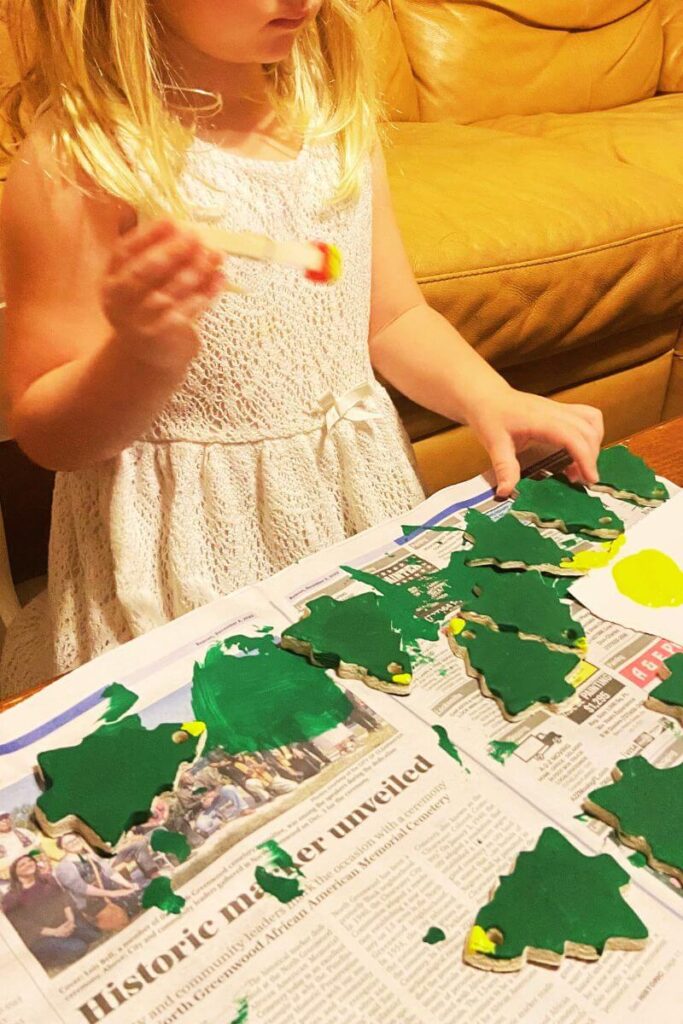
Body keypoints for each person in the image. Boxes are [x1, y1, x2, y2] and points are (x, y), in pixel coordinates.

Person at [0, 0, 604, 697]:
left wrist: (487, 396)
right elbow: (51, 437)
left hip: (349, 499)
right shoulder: (81, 157)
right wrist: (139, 358)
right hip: (188, 555)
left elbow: (393, 317)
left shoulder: (333, 121)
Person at [2, 854, 99, 969]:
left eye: (30, 861)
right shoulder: (11, 897)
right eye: (22, 865)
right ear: (15, 872)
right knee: (79, 948)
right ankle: (46, 959)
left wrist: (70, 920)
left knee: (94, 935)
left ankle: (68, 938)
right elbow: (23, 926)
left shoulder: (47, 879)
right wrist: (55, 932)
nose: (28, 864)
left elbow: (63, 899)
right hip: (41, 936)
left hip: (65, 923)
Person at [54, 833, 140, 920]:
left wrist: (128, 885)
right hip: (92, 903)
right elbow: (82, 888)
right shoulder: (63, 868)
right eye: (69, 843)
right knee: (119, 919)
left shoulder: (90, 855)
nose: (74, 843)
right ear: (63, 847)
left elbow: (109, 871)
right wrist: (113, 894)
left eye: (75, 839)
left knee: (136, 907)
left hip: (110, 891)